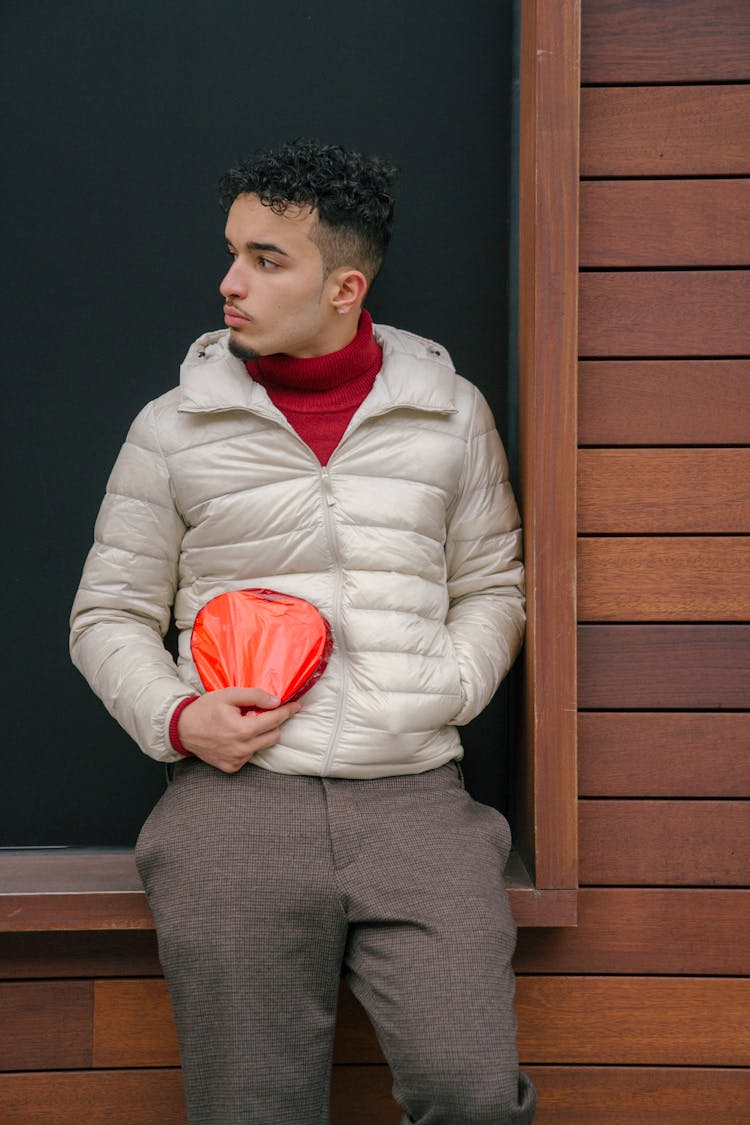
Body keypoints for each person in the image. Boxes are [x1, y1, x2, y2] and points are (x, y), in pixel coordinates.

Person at [70, 139, 536, 1125]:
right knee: (252, 1110)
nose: (230, 283)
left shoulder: (451, 416)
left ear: (344, 287)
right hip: (234, 810)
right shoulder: (172, 426)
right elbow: (107, 614)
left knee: (474, 1095)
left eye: (266, 259)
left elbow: (494, 584)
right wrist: (180, 716)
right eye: (234, 252)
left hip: (417, 805)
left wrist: (444, 690)